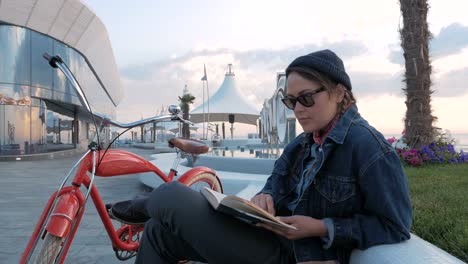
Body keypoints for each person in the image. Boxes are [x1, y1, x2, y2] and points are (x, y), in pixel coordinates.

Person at [113, 49, 412, 264]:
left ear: (338, 92)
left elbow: (395, 225)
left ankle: (148, 204)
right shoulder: (303, 144)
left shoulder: (369, 147)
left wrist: (322, 227)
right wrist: (263, 198)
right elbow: (275, 182)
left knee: (170, 196)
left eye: (306, 98)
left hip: (299, 254)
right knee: (157, 232)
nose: (297, 109)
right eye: (290, 101)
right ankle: (151, 209)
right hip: (269, 239)